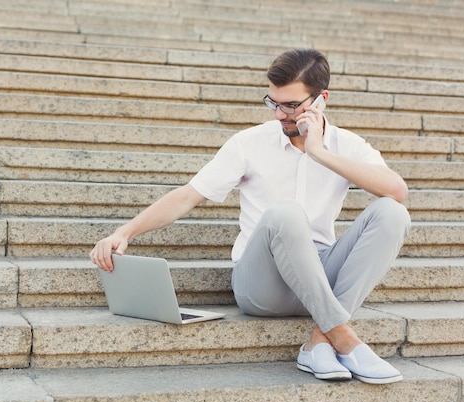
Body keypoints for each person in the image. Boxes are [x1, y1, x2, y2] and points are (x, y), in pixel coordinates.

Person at [90, 48, 411, 384]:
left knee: (392, 212)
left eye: (290, 105)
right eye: (273, 102)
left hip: (320, 277)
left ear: (321, 100)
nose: (279, 115)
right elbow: (187, 195)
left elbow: (397, 190)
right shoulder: (250, 143)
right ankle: (345, 339)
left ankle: (319, 339)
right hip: (262, 285)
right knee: (285, 214)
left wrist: (318, 151)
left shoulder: (347, 145)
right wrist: (124, 232)